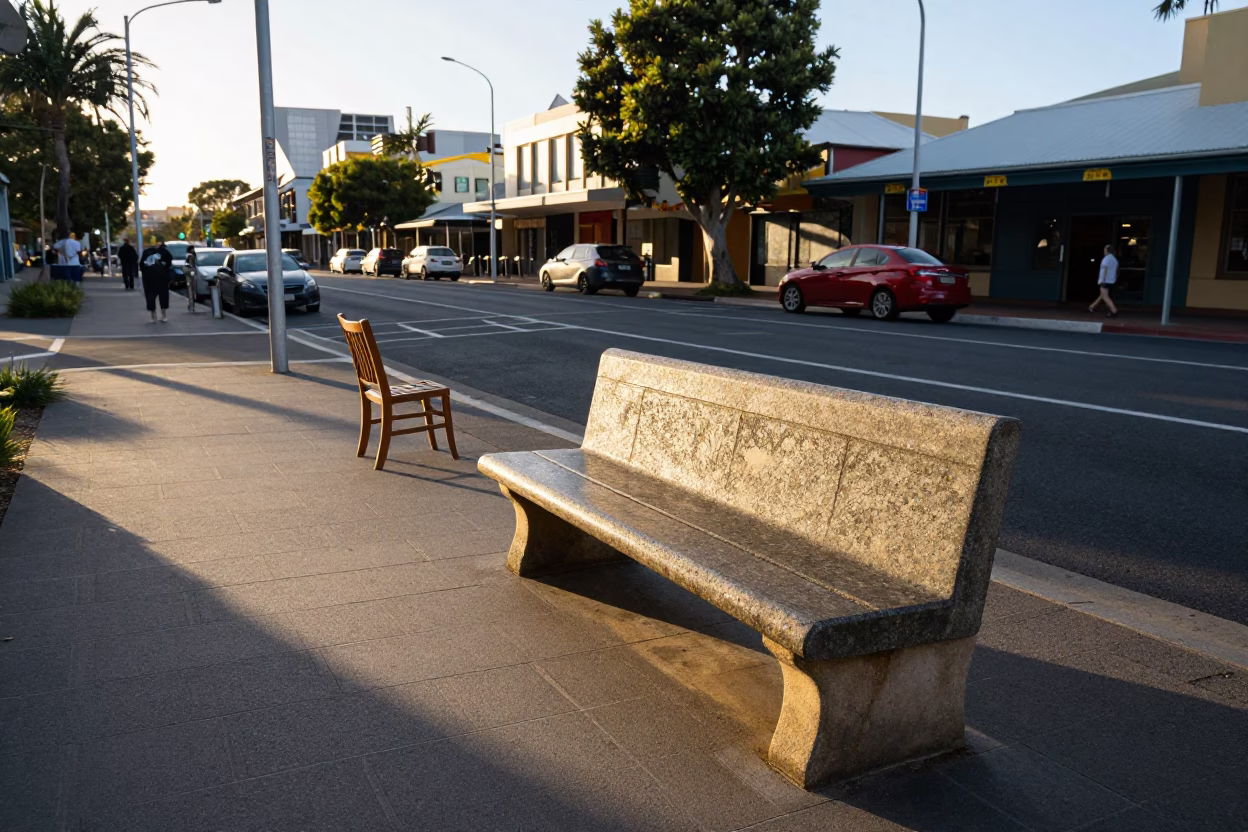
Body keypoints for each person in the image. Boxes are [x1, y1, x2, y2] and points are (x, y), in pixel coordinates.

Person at [139, 239, 174, 322]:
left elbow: (141, 266)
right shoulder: (165, 252)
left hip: (149, 280)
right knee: (163, 296)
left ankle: (153, 316)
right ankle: (164, 315)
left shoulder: (146, 253)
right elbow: (169, 263)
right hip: (162, 278)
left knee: (150, 297)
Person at [1088, 244, 1120, 318]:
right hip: (1111, 280)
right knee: (1103, 295)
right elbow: (1116, 270)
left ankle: (1114, 311)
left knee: (1105, 297)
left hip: (1105, 280)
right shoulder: (1114, 259)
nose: (1104, 251)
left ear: (1107, 250)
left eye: (1105, 249)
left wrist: (1103, 280)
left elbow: (1105, 270)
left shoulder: (1106, 259)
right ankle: (1091, 307)